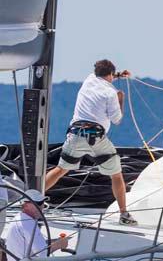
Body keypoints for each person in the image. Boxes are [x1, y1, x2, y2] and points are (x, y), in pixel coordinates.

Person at [44, 59, 137, 225]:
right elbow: (117, 120)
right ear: (110, 75)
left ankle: (30, 200)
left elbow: (104, 75)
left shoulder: (89, 80)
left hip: (75, 134)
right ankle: (124, 214)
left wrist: (118, 75)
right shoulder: (111, 93)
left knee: (60, 169)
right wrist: (120, 98)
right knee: (116, 175)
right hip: (96, 138)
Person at [3, 189, 68, 261]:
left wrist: (54, 242)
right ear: (25, 204)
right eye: (38, 203)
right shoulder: (28, 223)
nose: (41, 206)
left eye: (42, 203)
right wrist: (60, 244)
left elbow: (31, 248)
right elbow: (42, 254)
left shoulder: (19, 218)